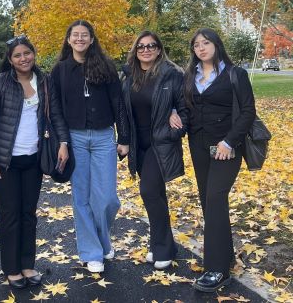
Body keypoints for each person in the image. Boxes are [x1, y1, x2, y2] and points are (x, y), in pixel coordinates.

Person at [0, 35, 70, 289]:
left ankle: (27, 264)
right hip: (6, 161)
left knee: (29, 214)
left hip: (34, 159)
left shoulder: (44, 81)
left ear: (33, 54)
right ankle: (11, 269)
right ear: (10, 60)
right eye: (17, 55)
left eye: (27, 53)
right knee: (10, 215)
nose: (24, 58)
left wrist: (63, 142)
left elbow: (55, 115)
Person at [171, 28, 256, 292]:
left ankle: (217, 269)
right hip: (198, 145)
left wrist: (229, 141)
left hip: (227, 147)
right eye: (196, 45)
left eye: (205, 43)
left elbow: (248, 111)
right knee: (208, 200)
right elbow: (184, 105)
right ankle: (225, 255)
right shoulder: (189, 76)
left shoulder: (235, 74)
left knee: (216, 197)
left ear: (216, 45)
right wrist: (174, 113)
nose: (201, 48)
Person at [51, 20, 129, 273]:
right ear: (68, 39)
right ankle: (91, 252)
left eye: (85, 35)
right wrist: (62, 141)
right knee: (81, 198)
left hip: (104, 137)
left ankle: (103, 241)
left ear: (92, 39)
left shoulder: (105, 66)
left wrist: (124, 137)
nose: (80, 39)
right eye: (75, 35)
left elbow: (118, 103)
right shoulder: (60, 70)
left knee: (106, 198)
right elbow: (56, 111)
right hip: (75, 139)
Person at [121, 31, 187, 270]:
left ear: (159, 49)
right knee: (156, 195)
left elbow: (185, 110)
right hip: (140, 145)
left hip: (161, 144)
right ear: (135, 50)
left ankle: (161, 248)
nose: (146, 50)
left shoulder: (172, 75)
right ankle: (165, 245)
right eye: (141, 46)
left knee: (148, 191)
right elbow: (123, 111)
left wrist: (173, 126)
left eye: (151, 46)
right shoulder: (129, 76)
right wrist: (124, 140)